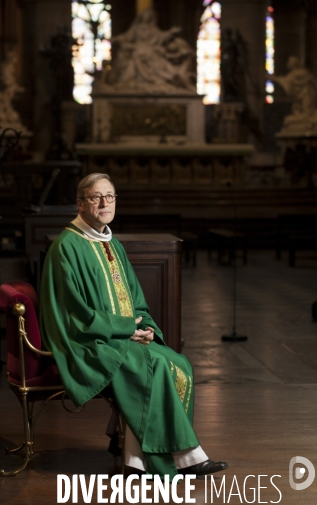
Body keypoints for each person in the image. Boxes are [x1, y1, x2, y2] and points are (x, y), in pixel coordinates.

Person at [40, 173, 228, 480]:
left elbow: (137, 299)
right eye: (95, 197)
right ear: (80, 203)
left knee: (178, 363)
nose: (104, 203)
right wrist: (126, 329)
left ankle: (134, 457)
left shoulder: (111, 243)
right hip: (88, 341)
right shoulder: (67, 247)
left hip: (121, 335)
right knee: (149, 364)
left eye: (110, 196)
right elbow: (72, 313)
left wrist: (146, 328)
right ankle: (184, 458)